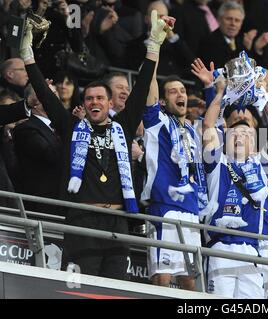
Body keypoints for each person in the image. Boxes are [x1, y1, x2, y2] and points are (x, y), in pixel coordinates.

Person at [20, 9, 170, 279]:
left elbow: (142, 85)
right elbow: (44, 92)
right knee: (77, 290)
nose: (94, 102)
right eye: (89, 99)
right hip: (82, 221)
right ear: (84, 104)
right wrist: (27, 55)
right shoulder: (72, 127)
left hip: (118, 224)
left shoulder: (123, 127)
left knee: (115, 291)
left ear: (110, 103)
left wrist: (154, 46)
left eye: (100, 98)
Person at [202, 74, 268, 299]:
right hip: (221, 247)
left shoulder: (262, 163)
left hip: (252, 250)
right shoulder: (216, 162)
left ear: (255, 141)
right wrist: (220, 92)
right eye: (234, 134)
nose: (240, 136)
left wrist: (263, 98)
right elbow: (208, 124)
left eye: (247, 134)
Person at [141, 68, 205, 289]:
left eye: (183, 91)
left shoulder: (193, 131)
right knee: (162, 275)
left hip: (191, 210)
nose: (180, 95)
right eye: (173, 92)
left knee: (190, 280)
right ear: (162, 101)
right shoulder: (156, 120)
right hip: (164, 207)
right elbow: (148, 83)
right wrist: (154, 48)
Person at [13, 83, 64, 215]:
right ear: (33, 102)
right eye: (48, 93)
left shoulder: (61, 127)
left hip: (64, 201)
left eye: (55, 93)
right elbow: (51, 155)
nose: (54, 98)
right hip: (42, 205)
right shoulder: (26, 129)